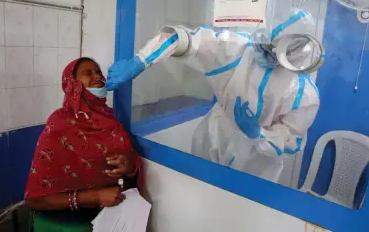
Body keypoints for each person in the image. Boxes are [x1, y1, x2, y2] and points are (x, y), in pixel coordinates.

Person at [105, 10, 321, 183]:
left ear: (296, 53)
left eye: (276, 51)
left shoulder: (303, 93)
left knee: (240, 216)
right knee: (202, 195)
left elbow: (292, 140)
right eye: (265, 45)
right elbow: (180, 39)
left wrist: (259, 134)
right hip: (215, 133)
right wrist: (141, 60)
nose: (266, 55)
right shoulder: (237, 49)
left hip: (259, 161)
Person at [25, 57, 142, 232]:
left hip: (111, 219)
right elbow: (34, 199)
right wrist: (95, 197)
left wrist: (129, 168)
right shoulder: (60, 123)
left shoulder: (111, 122)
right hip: (67, 224)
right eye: (88, 73)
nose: (97, 76)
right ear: (72, 84)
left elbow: (128, 171)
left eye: (98, 72)